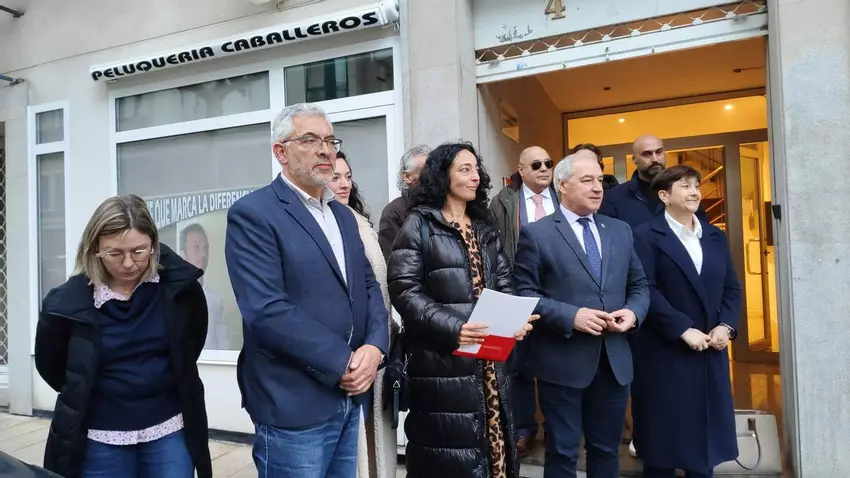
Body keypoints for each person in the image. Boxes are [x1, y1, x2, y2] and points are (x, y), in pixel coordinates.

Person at [225, 103, 389, 478]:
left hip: (349, 397)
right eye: (310, 140)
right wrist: (343, 362)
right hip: (294, 404)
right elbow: (266, 310)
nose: (325, 150)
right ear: (280, 152)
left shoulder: (343, 215)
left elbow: (368, 286)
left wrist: (375, 347)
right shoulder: (254, 214)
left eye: (330, 140)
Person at [35, 195, 212, 478]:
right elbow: (52, 366)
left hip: (168, 431)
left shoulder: (180, 289)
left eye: (139, 251)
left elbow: (191, 343)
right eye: (115, 253)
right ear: (95, 248)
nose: (129, 263)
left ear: (153, 244)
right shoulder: (67, 304)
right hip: (101, 438)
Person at [387, 142, 536, 478]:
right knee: (449, 457)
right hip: (442, 364)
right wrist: (454, 328)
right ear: (443, 176)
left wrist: (514, 320)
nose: (475, 177)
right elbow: (404, 291)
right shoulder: (419, 224)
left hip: (491, 362)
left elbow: (504, 281)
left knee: (494, 450)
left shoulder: (484, 226)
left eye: (476, 169)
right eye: (464, 169)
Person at [513, 150, 650, 478]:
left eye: (599, 180)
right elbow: (525, 294)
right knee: (562, 451)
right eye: (586, 180)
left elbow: (640, 285)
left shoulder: (620, 230)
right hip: (562, 362)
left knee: (606, 450)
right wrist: (571, 316)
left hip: (613, 362)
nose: (597, 187)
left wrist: (633, 313)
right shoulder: (538, 233)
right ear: (562, 185)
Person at [631, 165, 742, 478]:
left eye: (696, 185)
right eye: (685, 186)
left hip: (710, 350)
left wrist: (726, 326)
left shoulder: (715, 236)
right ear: (664, 195)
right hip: (665, 351)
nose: (695, 192)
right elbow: (645, 289)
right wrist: (682, 328)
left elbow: (732, 288)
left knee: (704, 443)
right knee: (662, 444)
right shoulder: (645, 236)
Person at [329, 151, 397, 478]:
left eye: (347, 176)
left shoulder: (357, 220)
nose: (344, 184)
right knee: (354, 443)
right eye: (335, 177)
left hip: (376, 340)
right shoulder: (328, 225)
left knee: (373, 433)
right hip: (351, 349)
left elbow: (376, 285)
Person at [489, 145, 558, 457]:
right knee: (518, 367)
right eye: (536, 165)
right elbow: (495, 247)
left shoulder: (563, 197)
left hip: (557, 295)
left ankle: (557, 429)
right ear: (521, 169)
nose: (544, 169)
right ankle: (525, 429)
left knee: (556, 365)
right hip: (517, 293)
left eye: (548, 163)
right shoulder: (504, 202)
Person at [378, 144, 431, 261]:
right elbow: (393, 261)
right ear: (407, 176)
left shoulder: (442, 206)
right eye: (425, 170)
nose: (431, 176)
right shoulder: (393, 212)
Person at [179, 223, 228, 350]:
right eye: (196, 247)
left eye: (205, 248)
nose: (203, 254)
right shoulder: (170, 295)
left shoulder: (216, 299)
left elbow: (223, 344)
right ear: (182, 254)